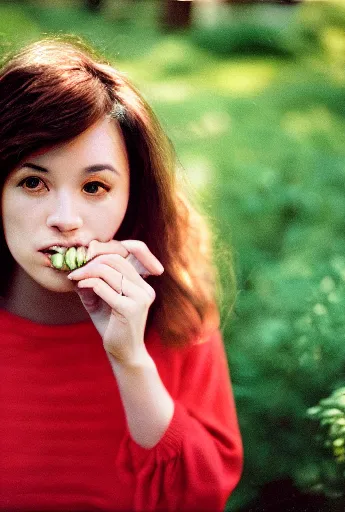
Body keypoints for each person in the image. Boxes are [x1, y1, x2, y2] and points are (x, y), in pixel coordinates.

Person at [0, 38, 243, 511]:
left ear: (134, 195)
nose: (65, 217)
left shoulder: (178, 316)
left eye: (94, 186)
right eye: (33, 182)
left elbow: (200, 499)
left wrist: (132, 361)